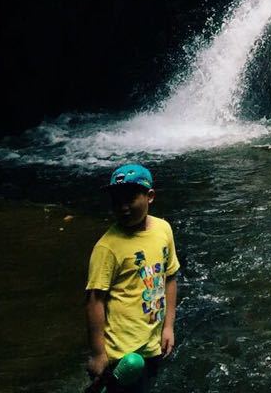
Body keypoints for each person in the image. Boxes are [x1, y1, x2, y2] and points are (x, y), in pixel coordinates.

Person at [84, 163, 180, 390]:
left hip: (152, 342)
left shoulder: (163, 230)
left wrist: (168, 327)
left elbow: (170, 277)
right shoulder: (107, 247)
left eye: (129, 199)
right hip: (121, 351)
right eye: (116, 201)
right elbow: (94, 301)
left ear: (150, 197)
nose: (123, 207)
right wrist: (98, 353)